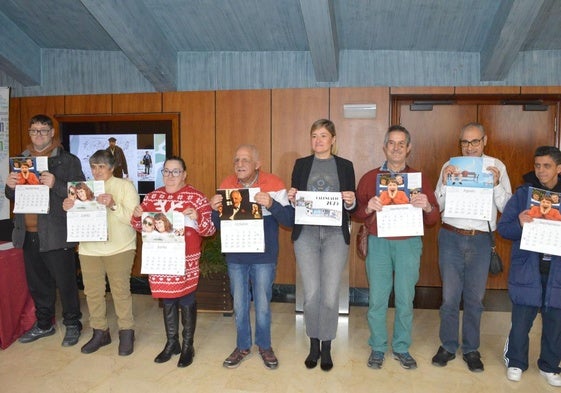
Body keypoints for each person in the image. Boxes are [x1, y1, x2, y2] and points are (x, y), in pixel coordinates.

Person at [354, 125, 439, 370]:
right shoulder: (370, 178)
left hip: (409, 244)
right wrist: (368, 207)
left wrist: (427, 207)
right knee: (378, 299)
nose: (396, 148)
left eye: (402, 143)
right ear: (384, 147)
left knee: (405, 298)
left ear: (409, 148)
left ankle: (401, 347)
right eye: (392, 143)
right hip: (379, 243)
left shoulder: (419, 179)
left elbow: (433, 219)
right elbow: (357, 212)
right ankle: (378, 347)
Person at [432, 122, 511, 372]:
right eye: (465, 142)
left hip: (480, 239)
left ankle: (471, 348)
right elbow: (437, 205)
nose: (469, 147)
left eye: (475, 141)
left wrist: (497, 184)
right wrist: (444, 182)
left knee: (475, 299)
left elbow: (506, 208)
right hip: (451, 237)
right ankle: (447, 345)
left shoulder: (497, 166)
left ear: (485, 141)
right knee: (449, 298)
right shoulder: (450, 165)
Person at [210, 144, 293, 370]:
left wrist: (272, 204)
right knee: (240, 303)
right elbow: (217, 224)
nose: (239, 164)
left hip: (264, 256)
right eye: (236, 160)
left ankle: (264, 346)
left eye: (245, 160)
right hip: (236, 255)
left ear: (257, 164)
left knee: (263, 304)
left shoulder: (274, 184)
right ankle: (243, 346)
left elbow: (289, 220)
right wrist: (213, 209)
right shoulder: (226, 185)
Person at [4, 114, 84, 346]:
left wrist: (55, 184)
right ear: (29, 133)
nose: (38, 135)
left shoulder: (68, 160)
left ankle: (72, 323)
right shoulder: (22, 160)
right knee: (38, 283)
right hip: (27, 232)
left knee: (66, 282)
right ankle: (44, 323)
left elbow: (79, 194)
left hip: (57, 233)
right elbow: (13, 196)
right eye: (34, 130)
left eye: (43, 130)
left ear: (52, 133)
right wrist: (9, 187)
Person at [131, 156, 215, 368]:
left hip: (186, 258)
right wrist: (137, 215)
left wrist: (197, 217)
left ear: (184, 174)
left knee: (186, 298)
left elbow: (209, 230)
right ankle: (172, 343)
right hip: (160, 257)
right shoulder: (152, 197)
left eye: (175, 171)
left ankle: (188, 346)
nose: (170, 176)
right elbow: (139, 226)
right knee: (167, 299)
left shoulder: (196, 197)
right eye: (166, 171)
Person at [287, 119, 356, 371]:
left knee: (329, 294)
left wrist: (350, 200)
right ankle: (313, 343)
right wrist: (292, 198)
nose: (318, 140)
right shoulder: (301, 164)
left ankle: (326, 345)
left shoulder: (345, 166)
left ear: (333, 139)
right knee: (312, 293)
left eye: (324, 136)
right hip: (306, 235)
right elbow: (296, 200)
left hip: (335, 236)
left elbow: (353, 206)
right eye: (314, 135)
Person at [62, 150, 139, 356]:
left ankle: (126, 331)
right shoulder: (82, 187)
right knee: (93, 292)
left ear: (112, 168)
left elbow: (134, 219)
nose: (97, 171)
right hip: (89, 248)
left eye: (102, 167)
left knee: (120, 291)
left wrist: (113, 204)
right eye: (94, 167)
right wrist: (69, 206)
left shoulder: (125, 186)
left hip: (120, 247)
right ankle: (100, 332)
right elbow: (77, 217)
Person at [498, 146, 561, 386]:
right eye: (537, 165)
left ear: (559, 168)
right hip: (528, 267)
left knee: (555, 320)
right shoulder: (524, 193)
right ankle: (515, 361)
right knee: (522, 318)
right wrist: (520, 223)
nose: (541, 171)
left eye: (547, 166)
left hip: (556, 270)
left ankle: (549, 365)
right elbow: (504, 228)